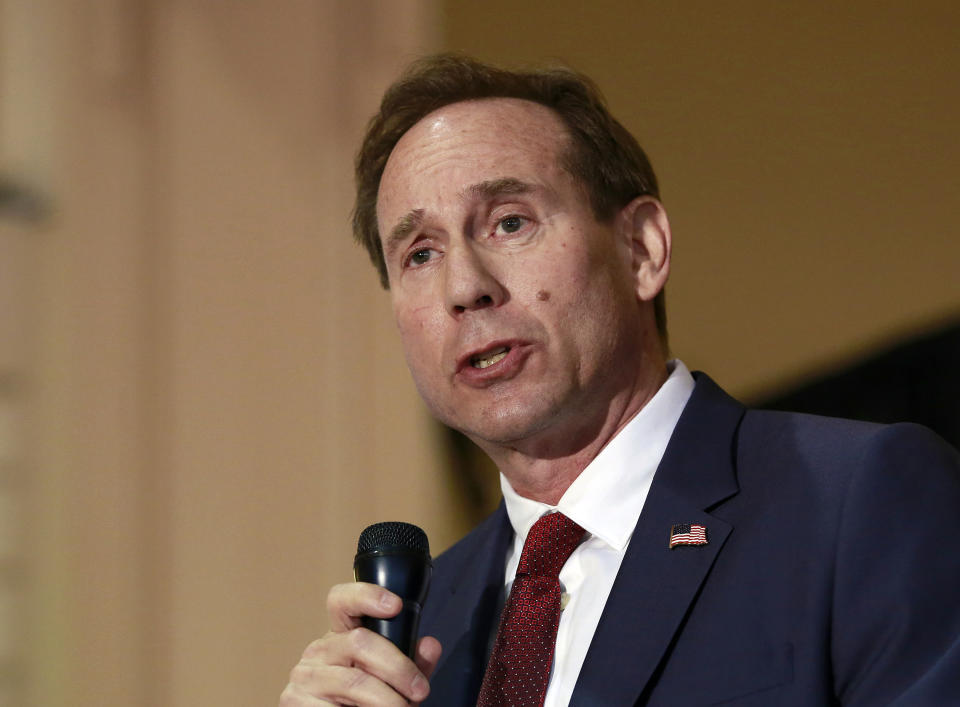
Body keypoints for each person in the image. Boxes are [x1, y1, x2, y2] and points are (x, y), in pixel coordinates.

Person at [280, 54, 960, 706]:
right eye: (420, 253)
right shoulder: (429, 620)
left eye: (510, 222)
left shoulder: (858, 499)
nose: (465, 287)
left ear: (642, 248)